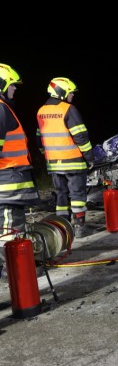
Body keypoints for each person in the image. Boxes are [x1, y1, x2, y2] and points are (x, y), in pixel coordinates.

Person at [36, 77, 95, 238]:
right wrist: (89, 157)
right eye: (70, 92)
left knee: (60, 193)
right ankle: (80, 227)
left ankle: (63, 228)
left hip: (54, 163)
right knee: (77, 194)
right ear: (61, 92)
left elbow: (39, 138)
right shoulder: (69, 109)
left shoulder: (41, 111)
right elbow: (81, 136)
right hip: (73, 160)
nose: (72, 96)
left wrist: (47, 154)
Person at [0, 64, 41, 278]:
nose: (14, 89)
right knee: (10, 228)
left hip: (8, 180)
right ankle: (13, 269)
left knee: (8, 227)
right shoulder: (0, 108)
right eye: (11, 85)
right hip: (8, 184)